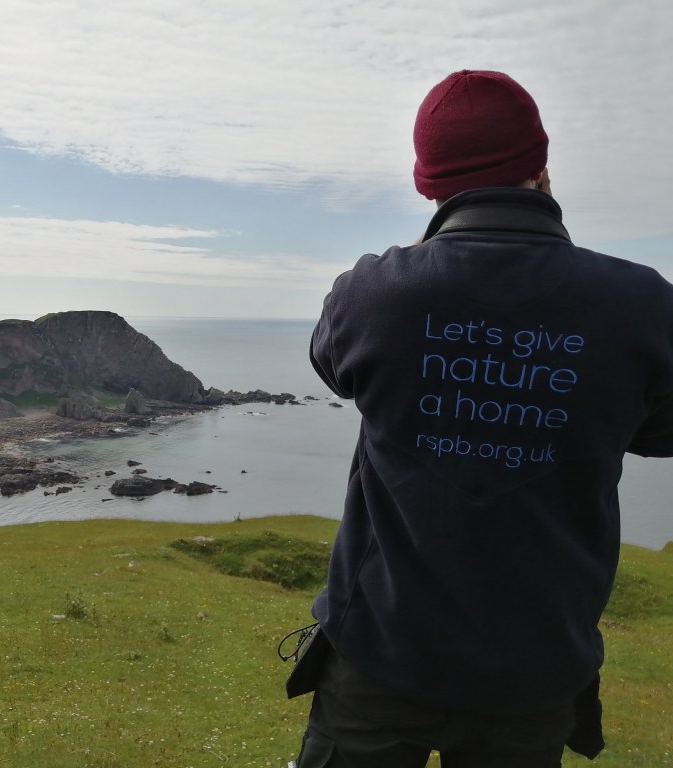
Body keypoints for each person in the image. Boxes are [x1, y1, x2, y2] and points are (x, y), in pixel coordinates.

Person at [287, 69, 673, 767]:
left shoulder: (372, 293)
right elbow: (661, 430)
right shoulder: (643, 306)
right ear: (540, 165)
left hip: (379, 654)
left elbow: (334, 369)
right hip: (535, 670)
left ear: (427, 183)